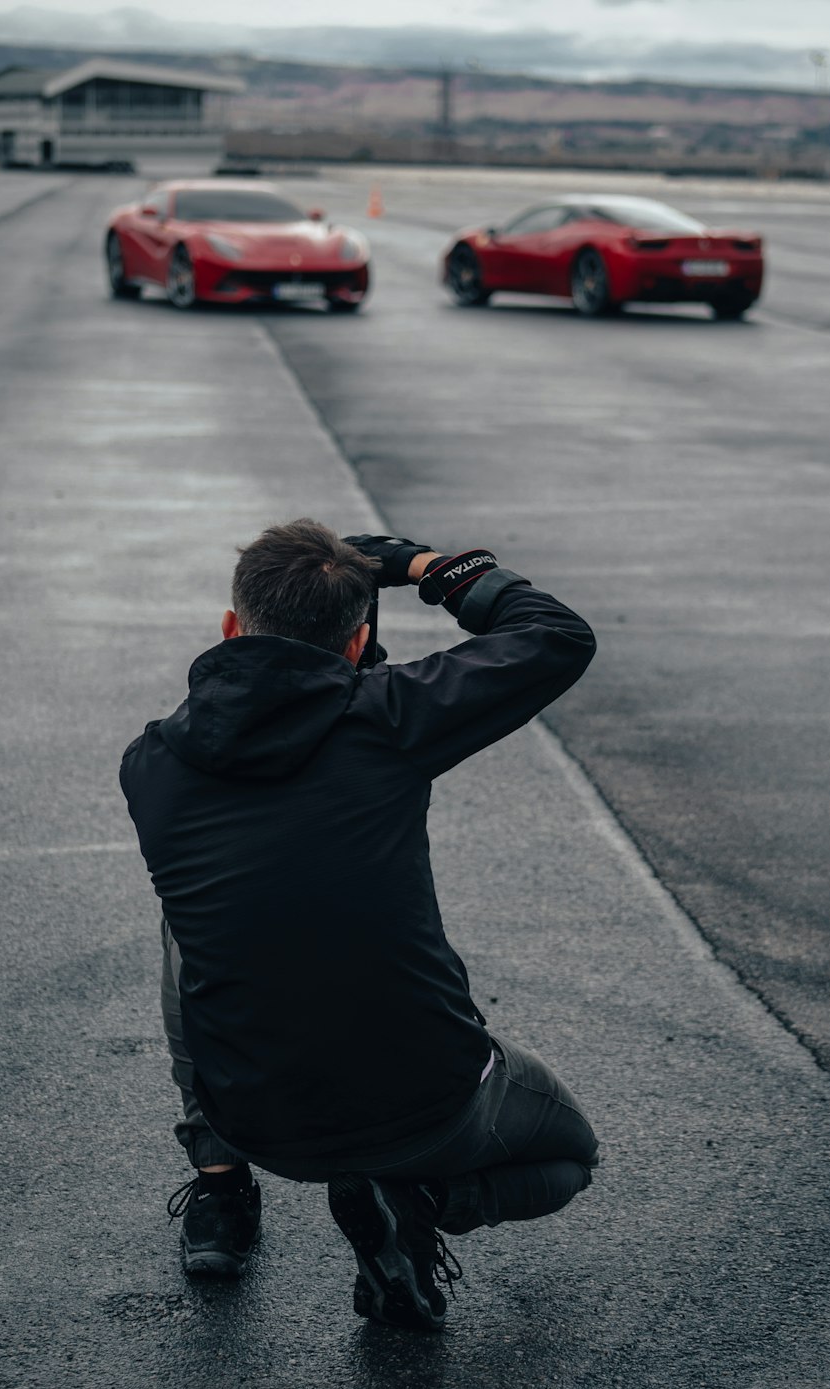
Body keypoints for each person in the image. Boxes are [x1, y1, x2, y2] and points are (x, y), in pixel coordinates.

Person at [120, 519, 599, 1332]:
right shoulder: (388, 717)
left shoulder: (151, 764)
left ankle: (220, 1174)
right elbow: (555, 635)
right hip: (432, 1105)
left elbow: (253, 729)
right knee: (571, 1155)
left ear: (232, 627)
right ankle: (426, 1201)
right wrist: (430, 567)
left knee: (191, 917)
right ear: (356, 646)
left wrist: (334, 657)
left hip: (258, 1119)